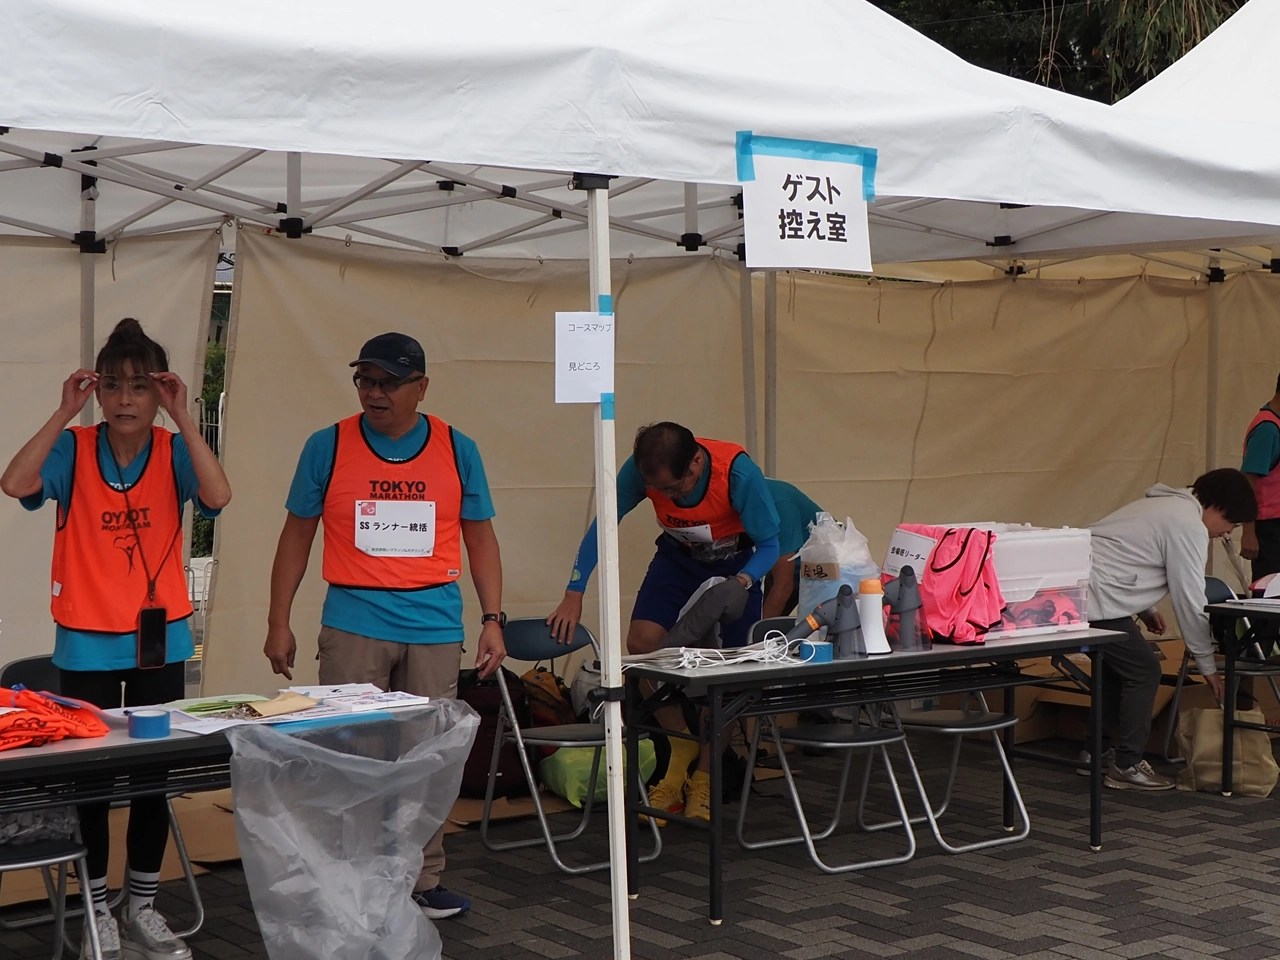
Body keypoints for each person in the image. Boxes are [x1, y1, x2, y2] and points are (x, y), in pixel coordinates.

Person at [0, 319, 232, 960]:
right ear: (96, 391)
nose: (125, 398)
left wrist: (185, 419)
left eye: (139, 385)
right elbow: (15, 483)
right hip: (86, 642)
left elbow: (218, 495)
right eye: (112, 385)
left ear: (160, 391)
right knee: (94, 786)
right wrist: (63, 410)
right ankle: (97, 910)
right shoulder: (74, 448)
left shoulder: (173, 450)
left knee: (153, 778)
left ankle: (143, 906)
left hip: (160, 644)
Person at [262, 332, 505, 921]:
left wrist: (492, 619)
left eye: (389, 383)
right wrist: (278, 620)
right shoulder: (328, 445)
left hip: (433, 625)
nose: (375, 393)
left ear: (421, 388)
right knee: (348, 756)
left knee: (426, 759)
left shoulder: (457, 448)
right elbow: (297, 535)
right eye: (365, 381)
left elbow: (480, 538)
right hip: (353, 623)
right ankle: (346, 879)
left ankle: (421, 879)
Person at [547, 422, 779, 822]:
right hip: (678, 558)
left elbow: (771, 546)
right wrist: (575, 590)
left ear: (696, 462)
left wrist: (742, 582)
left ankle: (705, 775)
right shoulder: (640, 470)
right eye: (659, 490)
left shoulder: (738, 474)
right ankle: (681, 744)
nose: (669, 498)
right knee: (642, 645)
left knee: (728, 669)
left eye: (674, 488)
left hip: (737, 562)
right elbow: (605, 525)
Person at [1086, 470, 1256, 791]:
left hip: (1082, 592)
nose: (1226, 533)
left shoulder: (1163, 506)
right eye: (1231, 524)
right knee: (1144, 670)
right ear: (1218, 507)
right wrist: (1207, 666)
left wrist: (1145, 609)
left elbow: (1124, 558)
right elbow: (1190, 599)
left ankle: (1096, 752)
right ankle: (1127, 765)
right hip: (1097, 599)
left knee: (1115, 668)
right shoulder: (1187, 524)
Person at [761, 478, 824, 619]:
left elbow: (783, 584)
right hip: (789, 562)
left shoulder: (778, 504)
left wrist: (756, 630)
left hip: (826, 567)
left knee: (820, 623)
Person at [1240, 374, 1280, 585]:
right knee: (1270, 590)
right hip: (1269, 528)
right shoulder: (1267, 428)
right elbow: (1248, 478)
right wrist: (1249, 532)